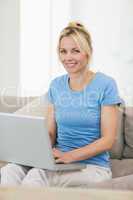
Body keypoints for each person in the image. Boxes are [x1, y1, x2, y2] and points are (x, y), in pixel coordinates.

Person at [0, 21, 122, 187]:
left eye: (75, 51)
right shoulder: (56, 85)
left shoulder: (106, 84)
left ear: (87, 53)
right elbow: (50, 133)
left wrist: (69, 156)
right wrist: (33, 153)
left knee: (36, 177)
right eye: (63, 51)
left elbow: (108, 140)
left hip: (92, 167)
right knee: (9, 171)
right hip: (58, 160)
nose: (68, 58)